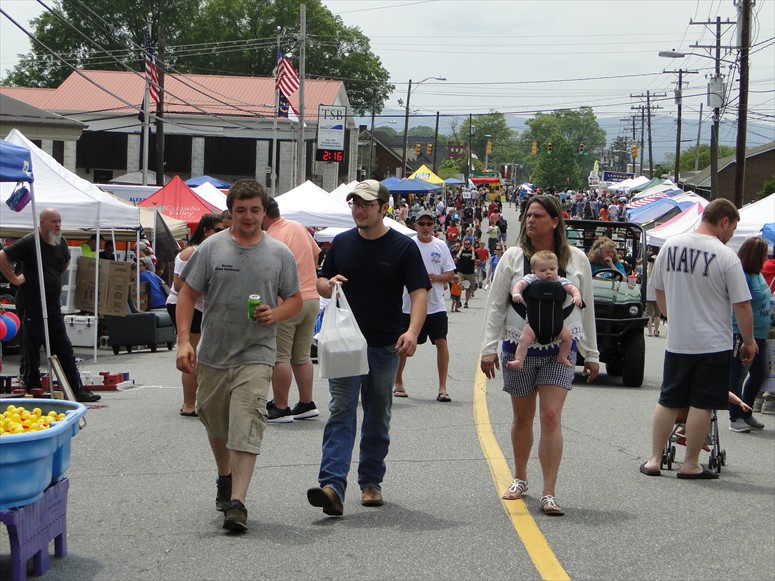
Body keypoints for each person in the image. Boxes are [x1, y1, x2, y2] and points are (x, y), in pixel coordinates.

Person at [176, 180, 302, 533]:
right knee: (216, 424)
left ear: (265, 212)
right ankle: (224, 476)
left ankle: (238, 502)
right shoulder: (211, 249)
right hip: (214, 353)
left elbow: (294, 298)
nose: (248, 217)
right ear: (231, 211)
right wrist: (185, 341)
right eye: (241, 210)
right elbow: (186, 295)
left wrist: (275, 314)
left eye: (255, 210)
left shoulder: (279, 254)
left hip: (257, 353)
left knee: (246, 423)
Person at [307, 179, 429, 517]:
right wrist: (326, 285)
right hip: (344, 345)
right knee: (341, 411)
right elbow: (321, 280)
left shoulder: (402, 247)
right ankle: (332, 486)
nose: (359, 210)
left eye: (367, 204)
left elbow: (420, 292)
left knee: (377, 415)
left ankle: (371, 481)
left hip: (384, 344)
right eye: (355, 204)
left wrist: (413, 331)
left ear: (383, 208)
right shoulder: (342, 244)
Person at [480, 195, 599, 516]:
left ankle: (550, 492)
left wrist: (591, 353)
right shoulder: (512, 257)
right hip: (518, 347)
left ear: (555, 221)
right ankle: (520, 476)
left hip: (559, 349)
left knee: (550, 415)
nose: (530, 221)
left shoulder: (576, 260)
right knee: (522, 417)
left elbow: (586, 307)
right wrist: (488, 349)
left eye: (538, 216)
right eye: (528, 215)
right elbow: (495, 305)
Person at [639, 199, 756, 480]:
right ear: (724, 221)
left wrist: (672, 317)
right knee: (702, 403)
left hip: (679, 339)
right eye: (732, 227)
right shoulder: (726, 256)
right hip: (713, 342)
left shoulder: (670, 245)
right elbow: (742, 304)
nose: (730, 234)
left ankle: (654, 459)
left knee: (668, 399)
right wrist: (749, 341)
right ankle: (690, 463)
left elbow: (658, 290)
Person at [0, 208, 101, 402]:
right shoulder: (31, 242)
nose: (58, 225)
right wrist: (14, 279)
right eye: (54, 221)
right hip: (32, 303)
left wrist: (53, 279)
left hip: (52, 305)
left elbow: (66, 261)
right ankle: (32, 388)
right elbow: (2, 256)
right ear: (42, 222)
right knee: (31, 347)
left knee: (63, 346)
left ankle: (75, 388)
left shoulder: (60, 241)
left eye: (60, 221)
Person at [261, 198, 321, 423]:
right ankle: (306, 402)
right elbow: (316, 254)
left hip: (287, 301)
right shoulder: (298, 227)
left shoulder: (272, 237)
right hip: (311, 297)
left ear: (264, 214)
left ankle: (281, 405)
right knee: (302, 356)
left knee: (280, 356)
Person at [393, 210, 456, 401]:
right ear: (415, 226)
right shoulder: (408, 244)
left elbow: (450, 273)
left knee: (441, 343)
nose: (426, 228)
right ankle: (398, 381)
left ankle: (442, 387)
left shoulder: (441, 245)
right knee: (403, 345)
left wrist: (436, 278)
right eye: (422, 224)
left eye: (429, 224)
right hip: (408, 305)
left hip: (436, 305)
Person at [166, 213, 223, 417]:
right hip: (186, 305)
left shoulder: (208, 250)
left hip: (198, 306)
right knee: (192, 354)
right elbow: (181, 285)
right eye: (218, 229)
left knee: (198, 354)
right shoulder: (191, 252)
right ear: (206, 231)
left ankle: (195, 400)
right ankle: (189, 403)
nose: (221, 233)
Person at [507, 250, 583, 370]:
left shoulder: (560, 280)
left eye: (552, 269)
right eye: (542, 270)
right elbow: (520, 284)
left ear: (557, 268)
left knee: (568, 337)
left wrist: (577, 296)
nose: (548, 273)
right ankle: (519, 360)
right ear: (533, 270)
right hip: (533, 323)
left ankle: (562, 356)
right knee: (523, 340)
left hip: (557, 323)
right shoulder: (531, 279)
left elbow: (572, 288)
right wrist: (516, 293)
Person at [727, 237, 770, 433]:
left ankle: (746, 410)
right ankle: (735, 417)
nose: (766, 259)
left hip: (760, 334)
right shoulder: (743, 275)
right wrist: (747, 338)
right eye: (762, 255)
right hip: (742, 334)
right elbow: (742, 305)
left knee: (760, 373)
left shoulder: (757, 274)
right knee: (736, 376)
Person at [455, 239, 477, 308]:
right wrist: (457, 257)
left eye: (468, 244)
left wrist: (474, 257)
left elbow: (477, 259)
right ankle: (458, 301)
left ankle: (466, 302)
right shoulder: (461, 251)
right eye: (466, 244)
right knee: (459, 287)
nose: (467, 245)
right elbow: (456, 261)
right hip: (461, 272)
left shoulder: (473, 251)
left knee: (469, 288)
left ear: (470, 245)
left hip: (470, 272)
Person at [645, 254, 661, 337]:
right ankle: (656, 330)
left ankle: (650, 331)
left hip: (649, 295)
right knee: (657, 315)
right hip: (658, 296)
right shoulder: (659, 272)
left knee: (649, 315)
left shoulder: (647, 272)